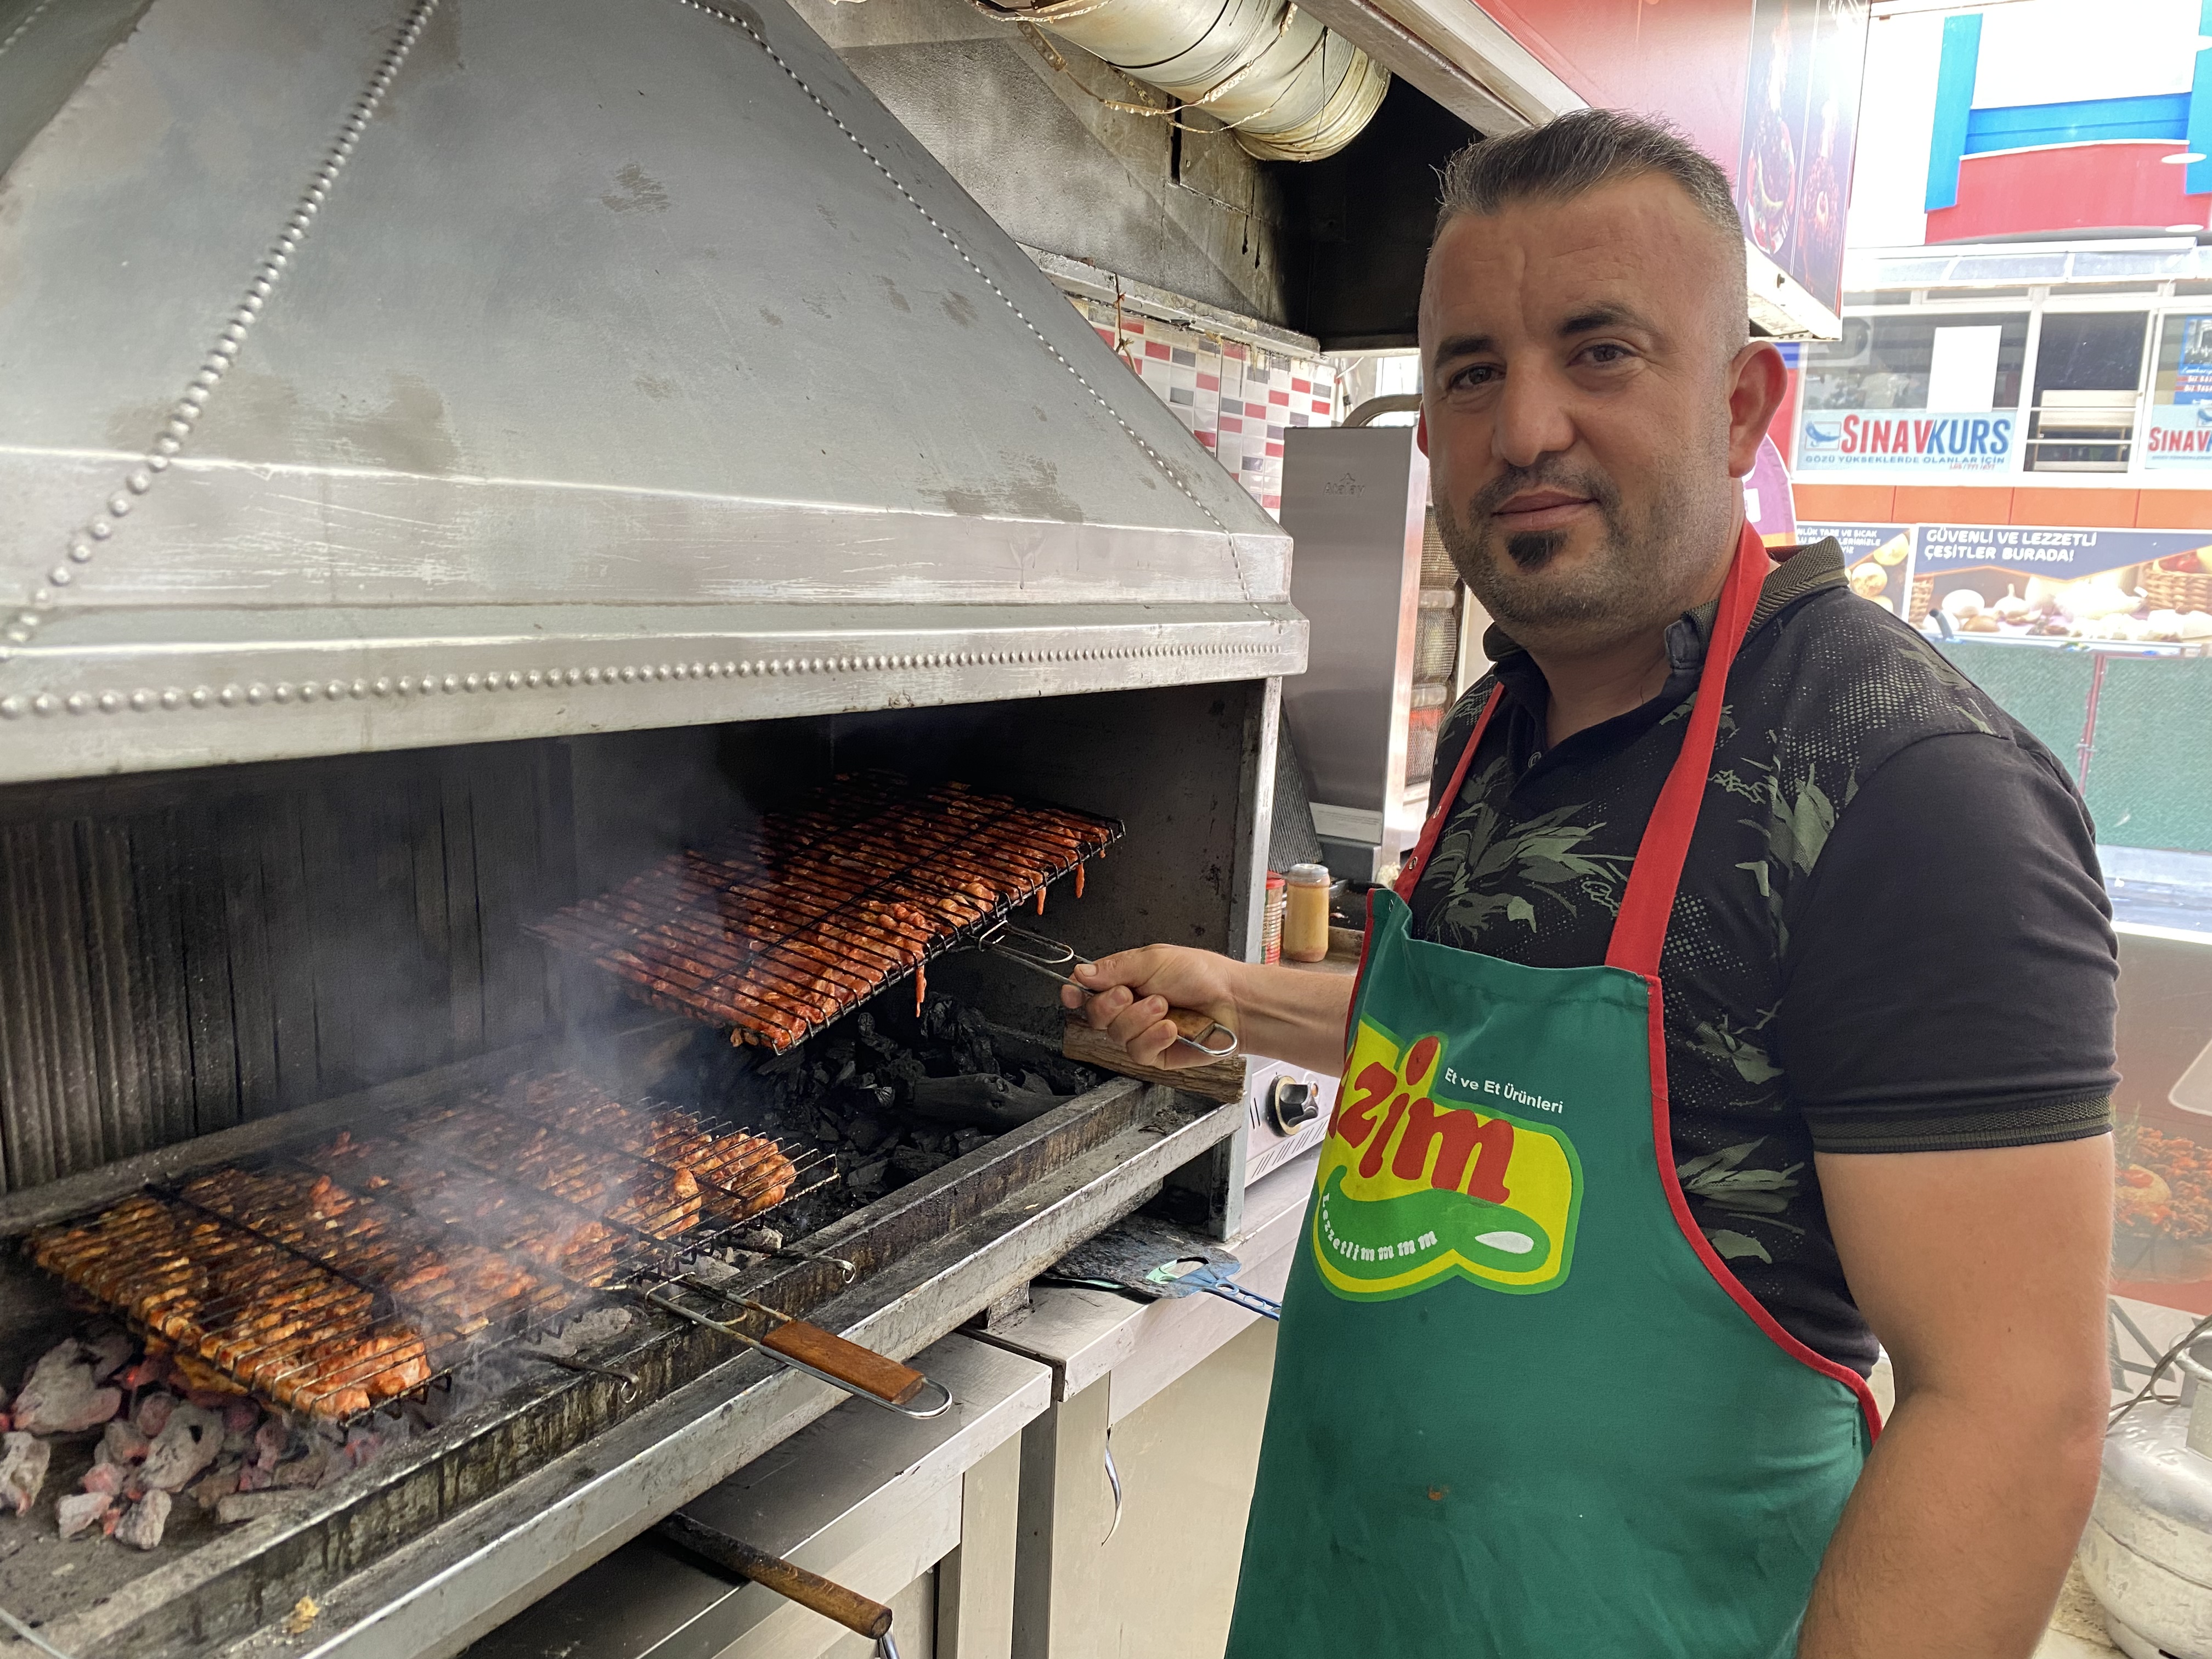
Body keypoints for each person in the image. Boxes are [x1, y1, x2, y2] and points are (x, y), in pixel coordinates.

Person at [1064, 109, 2118, 1659]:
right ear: (1427, 423)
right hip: (1346, 1598)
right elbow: (1494, 1066)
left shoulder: (1906, 789)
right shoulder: (1511, 708)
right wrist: (1245, 1003)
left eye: (1602, 350)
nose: (1527, 425)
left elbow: (2015, 1416)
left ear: (1745, 400)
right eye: (1473, 370)